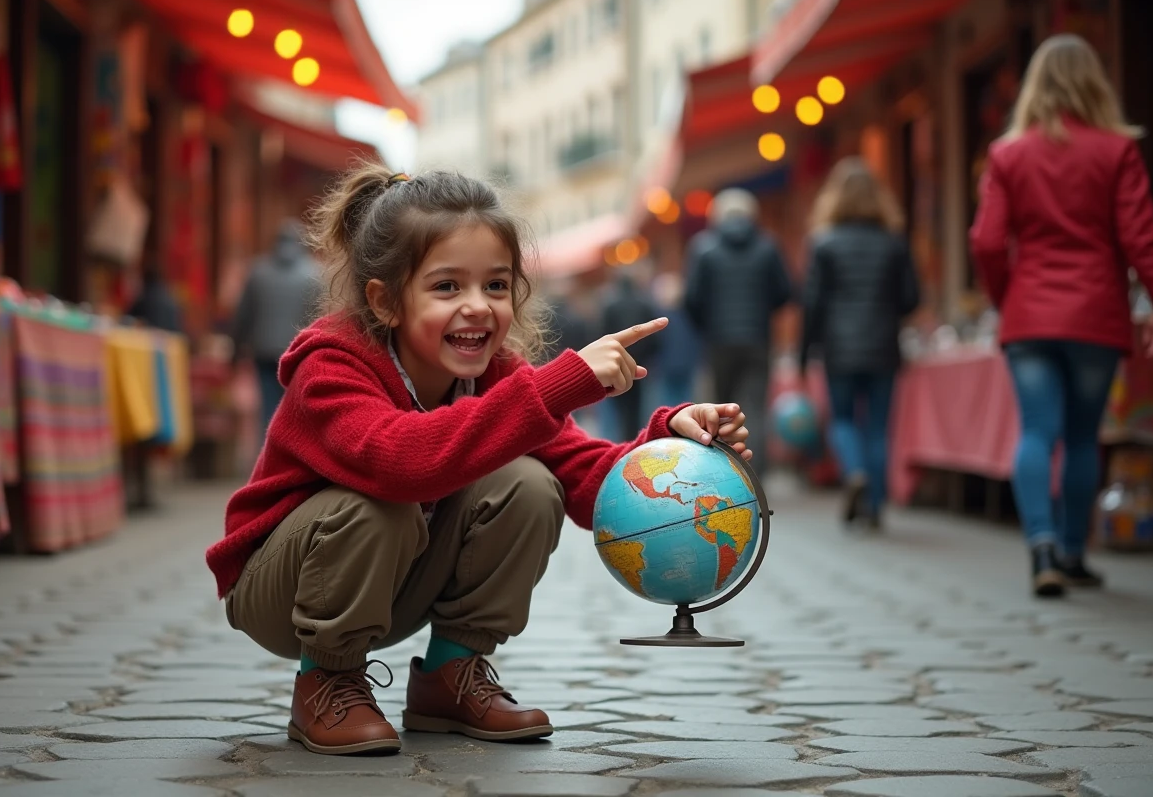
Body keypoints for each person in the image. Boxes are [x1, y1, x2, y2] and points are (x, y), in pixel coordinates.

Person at [204, 165, 753, 757]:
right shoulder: (331, 368)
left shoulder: (497, 376)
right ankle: (327, 681)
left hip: (395, 580)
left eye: (495, 286)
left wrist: (665, 442)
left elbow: (585, 479)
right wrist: (556, 386)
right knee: (377, 504)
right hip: (280, 593)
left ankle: (449, 676)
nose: (478, 307)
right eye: (446, 288)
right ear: (385, 300)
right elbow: (401, 461)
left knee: (531, 483)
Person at [970, 34, 1153, 598]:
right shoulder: (1116, 151)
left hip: (1030, 313)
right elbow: (1141, 239)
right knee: (1080, 438)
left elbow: (986, 241)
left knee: (1036, 431)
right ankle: (1074, 552)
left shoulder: (1008, 153)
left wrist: (1008, 299)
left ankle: (1042, 546)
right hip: (1096, 313)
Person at [799, 157, 920, 530]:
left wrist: (805, 353)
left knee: (844, 420)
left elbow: (813, 304)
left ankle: (854, 473)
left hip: (839, 347)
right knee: (879, 428)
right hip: (884, 345)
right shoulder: (894, 242)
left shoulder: (823, 243)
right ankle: (875, 506)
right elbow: (911, 298)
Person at [685, 188, 794, 475]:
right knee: (754, 407)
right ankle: (755, 474)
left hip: (719, 341)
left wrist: (707, 327)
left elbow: (692, 298)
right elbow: (784, 292)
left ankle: (726, 473)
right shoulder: (768, 246)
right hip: (758, 338)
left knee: (719, 409)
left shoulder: (703, 247)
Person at [231, 220, 322, 440]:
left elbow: (243, 314)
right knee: (295, 405)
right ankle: (292, 452)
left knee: (269, 406)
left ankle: (269, 450)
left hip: (263, 350)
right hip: (298, 351)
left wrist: (235, 350)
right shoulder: (314, 274)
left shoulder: (257, 271)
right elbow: (317, 316)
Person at [600, 270, 662, 440]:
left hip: (615, 363)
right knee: (637, 407)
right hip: (639, 364)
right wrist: (648, 358)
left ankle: (622, 439)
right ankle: (635, 438)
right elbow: (654, 338)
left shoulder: (610, 306)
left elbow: (602, 335)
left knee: (620, 405)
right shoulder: (644, 303)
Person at [647, 270, 701, 414]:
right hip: (679, 364)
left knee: (671, 401)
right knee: (681, 400)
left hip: (669, 365)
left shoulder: (658, 315)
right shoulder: (687, 314)